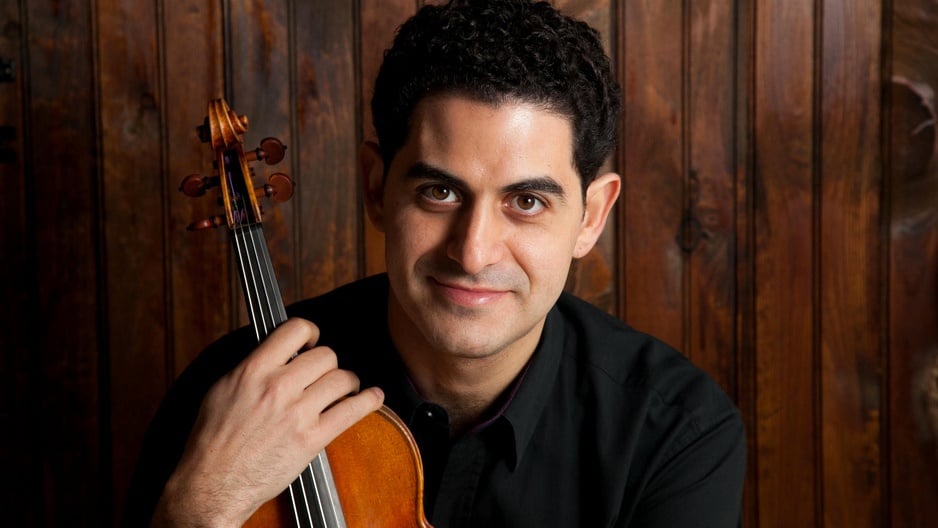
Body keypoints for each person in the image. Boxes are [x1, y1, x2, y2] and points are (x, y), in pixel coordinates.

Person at [123, 0, 746, 526]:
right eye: (439, 192)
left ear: (590, 217)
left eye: (526, 202)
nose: (473, 252)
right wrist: (201, 507)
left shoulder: (674, 433)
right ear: (376, 189)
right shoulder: (236, 395)